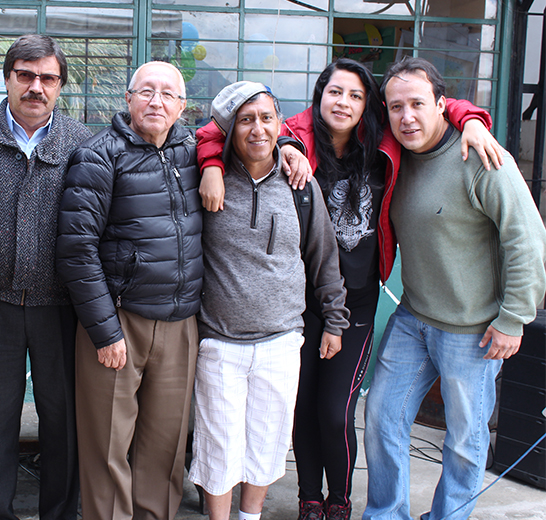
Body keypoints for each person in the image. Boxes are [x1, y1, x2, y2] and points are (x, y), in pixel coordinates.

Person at [193, 59, 500, 520]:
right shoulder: (293, 134)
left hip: (353, 301)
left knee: (336, 411)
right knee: (300, 410)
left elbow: (429, 105)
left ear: (368, 105)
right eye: (335, 92)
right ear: (319, 96)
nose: (344, 103)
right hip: (297, 305)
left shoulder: (385, 142)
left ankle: (339, 499)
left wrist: (471, 119)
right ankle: (309, 499)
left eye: (356, 96)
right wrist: (212, 164)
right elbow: (224, 125)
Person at [363, 56, 546, 520]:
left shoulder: (482, 159)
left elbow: (527, 239)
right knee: (383, 419)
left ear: (442, 105)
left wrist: (514, 318)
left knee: (465, 440)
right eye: (396, 106)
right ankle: (386, 513)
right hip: (413, 317)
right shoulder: (396, 156)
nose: (407, 117)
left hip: (474, 330)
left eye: (418, 104)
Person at [189, 81, 349, 520]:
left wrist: (335, 320)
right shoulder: (204, 178)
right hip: (220, 341)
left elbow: (323, 254)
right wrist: (209, 166)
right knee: (219, 445)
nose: (257, 129)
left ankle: (250, 516)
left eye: (266, 118)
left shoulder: (299, 183)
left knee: (266, 439)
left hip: (281, 339)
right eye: (245, 120)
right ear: (229, 129)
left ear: (280, 125)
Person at [0, 34, 91, 520]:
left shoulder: (82, 141)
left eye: (47, 78)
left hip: (62, 305)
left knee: (64, 417)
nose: (36, 87)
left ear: (60, 86)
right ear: (7, 79)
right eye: (25, 76)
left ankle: (61, 512)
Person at [55, 60, 202, 520]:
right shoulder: (99, 154)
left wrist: (290, 146)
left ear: (182, 106)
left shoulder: (195, 150)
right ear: (128, 99)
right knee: (108, 446)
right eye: (146, 92)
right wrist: (105, 331)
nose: (156, 101)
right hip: (120, 321)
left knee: (165, 445)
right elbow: (77, 250)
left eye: (167, 94)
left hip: (180, 322)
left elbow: (251, 134)